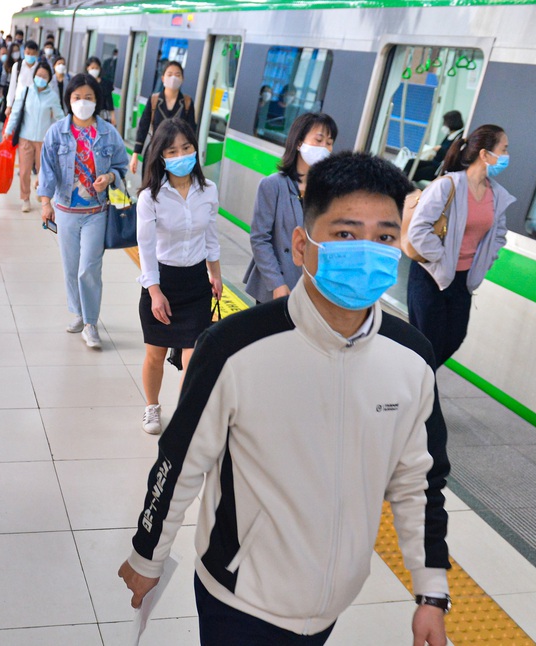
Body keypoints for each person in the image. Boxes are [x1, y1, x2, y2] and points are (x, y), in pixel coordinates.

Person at [119, 151, 451, 646]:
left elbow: (418, 480)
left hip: (333, 600)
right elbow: (181, 460)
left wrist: (431, 591)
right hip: (237, 596)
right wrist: (148, 554)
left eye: (384, 237)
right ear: (301, 244)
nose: (366, 250)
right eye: (344, 234)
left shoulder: (412, 360)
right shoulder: (233, 347)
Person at [136, 118, 222, 435]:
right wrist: (155, 291)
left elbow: (211, 237)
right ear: (161, 156)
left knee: (193, 357)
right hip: (163, 281)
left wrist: (216, 275)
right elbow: (145, 248)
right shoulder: (151, 197)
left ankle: (184, 413)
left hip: (197, 283)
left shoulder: (208, 190)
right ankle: (152, 407)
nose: (181, 154)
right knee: (155, 355)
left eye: (186, 147)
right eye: (172, 150)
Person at [406, 124, 514, 368]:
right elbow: (418, 230)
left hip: (463, 280)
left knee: (454, 338)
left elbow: (499, 234)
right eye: (503, 149)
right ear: (484, 154)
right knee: (428, 344)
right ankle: (419, 397)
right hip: (430, 277)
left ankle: (412, 385)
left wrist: (486, 259)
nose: (507, 156)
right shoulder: (448, 185)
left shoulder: (496, 195)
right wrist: (443, 258)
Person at [39, 73, 130, 349]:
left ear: (97, 100)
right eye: (77, 97)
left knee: (89, 267)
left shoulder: (107, 133)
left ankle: (91, 323)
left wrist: (111, 178)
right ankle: (78, 313)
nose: (82, 102)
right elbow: (47, 170)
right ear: (69, 99)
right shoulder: (57, 132)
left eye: (88, 98)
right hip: (65, 209)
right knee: (70, 267)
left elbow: (121, 166)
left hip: (96, 211)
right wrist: (45, 203)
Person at [243, 113, 338, 304]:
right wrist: (277, 283)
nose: (325, 148)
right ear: (299, 142)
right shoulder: (273, 185)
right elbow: (260, 239)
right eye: (319, 140)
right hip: (277, 287)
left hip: (314, 289)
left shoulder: (330, 190)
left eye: (329, 142)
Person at [6, 62, 64, 213]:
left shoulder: (52, 96)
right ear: (34, 76)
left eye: (45, 76)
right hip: (25, 137)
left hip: (44, 140)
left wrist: (66, 132)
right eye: (39, 75)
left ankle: (42, 190)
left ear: (49, 79)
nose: (41, 78)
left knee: (43, 171)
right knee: (24, 171)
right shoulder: (26, 92)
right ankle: (25, 198)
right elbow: (16, 112)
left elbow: (59, 116)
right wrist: (8, 129)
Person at [131, 61, 196, 175]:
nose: (173, 78)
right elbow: (143, 127)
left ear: (182, 79)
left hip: (177, 157)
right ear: (163, 78)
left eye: (177, 75)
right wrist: (135, 154)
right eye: (170, 74)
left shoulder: (187, 102)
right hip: (154, 153)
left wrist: (191, 157)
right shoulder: (154, 100)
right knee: (151, 188)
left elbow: (191, 131)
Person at [405, 111, 465, 183]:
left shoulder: (459, 137)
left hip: (439, 167)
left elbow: (451, 154)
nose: (444, 125)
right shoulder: (449, 135)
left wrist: (440, 149)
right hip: (434, 161)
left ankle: (404, 186)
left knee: (415, 172)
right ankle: (399, 182)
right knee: (411, 162)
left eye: (445, 123)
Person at [6, 40, 40, 118]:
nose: (30, 56)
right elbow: (12, 86)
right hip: (18, 102)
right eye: (28, 53)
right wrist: (9, 105)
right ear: (24, 52)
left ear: (36, 54)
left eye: (32, 54)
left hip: (34, 104)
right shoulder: (18, 66)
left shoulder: (39, 68)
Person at [86, 56, 115, 124]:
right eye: (92, 68)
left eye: (96, 68)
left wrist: (112, 115)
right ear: (87, 68)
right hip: (87, 114)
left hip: (102, 116)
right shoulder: (84, 82)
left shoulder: (105, 83)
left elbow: (109, 101)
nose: (94, 70)